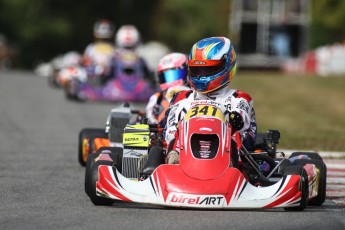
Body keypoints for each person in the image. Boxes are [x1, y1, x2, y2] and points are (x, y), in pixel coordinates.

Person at [163, 36, 257, 167]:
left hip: (227, 154)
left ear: (227, 65)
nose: (201, 75)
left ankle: (230, 165)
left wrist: (232, 118)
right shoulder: (183, 98)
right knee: (177, 131)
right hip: (184, 155)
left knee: (233, 133)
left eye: (208, 69)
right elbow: (168, 133)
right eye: (197, 70)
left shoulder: (238, 98)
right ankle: (174, 160)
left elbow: (244, 124)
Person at [145, 52, 190, 124]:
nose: (171, 80)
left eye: (174, 74)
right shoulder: (157, 98)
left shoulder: (195, 94)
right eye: (166, 76)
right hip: (162, 131)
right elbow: (149, 118)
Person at [82, 19, 116, 84]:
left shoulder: (91, 47)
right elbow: (86, 62)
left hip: (110, 73)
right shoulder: (91, 47)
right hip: (93, 74)